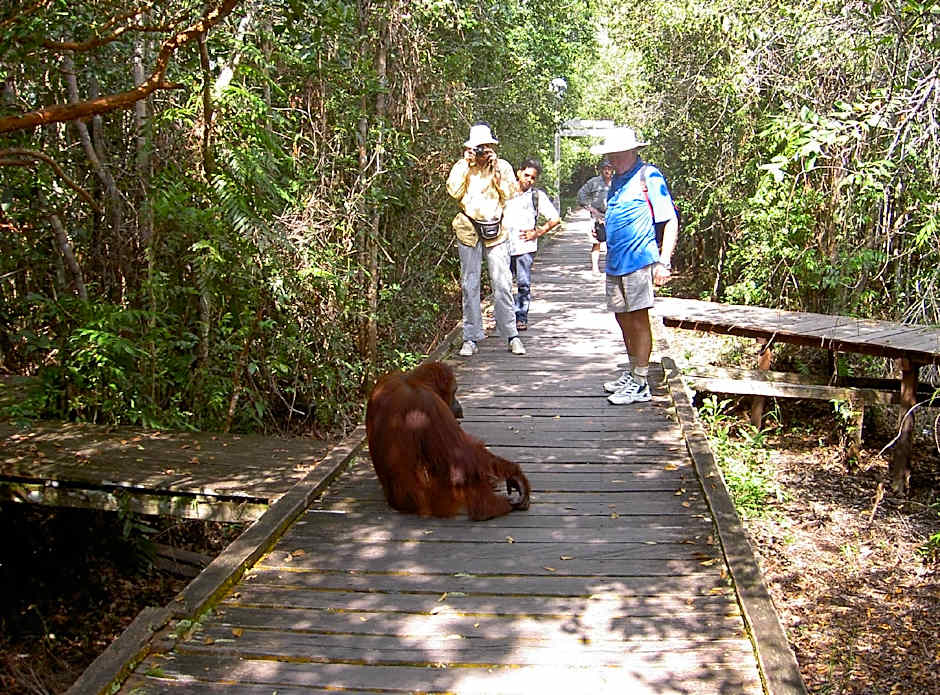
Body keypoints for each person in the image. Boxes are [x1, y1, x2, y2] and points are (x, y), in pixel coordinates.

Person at [590, 127, 678, 405]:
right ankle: (632, 372)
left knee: (639, 318)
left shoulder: (648, 175)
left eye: (614, 154)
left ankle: (641, 383)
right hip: (615, 262)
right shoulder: (617, 180)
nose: (610, 160)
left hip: (639, 260)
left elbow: (670, 220)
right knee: (622, 317)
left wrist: (664, 261)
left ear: (630, 152)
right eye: (608, 155)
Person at [446, 122, 526, 356]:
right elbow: (453, 192)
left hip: (495, 229)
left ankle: (511, 334)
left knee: (502, 284)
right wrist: (466, 163)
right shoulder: (463, 166)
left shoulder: (502, 166)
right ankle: (470, 337)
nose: (482, 151)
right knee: (469, 283)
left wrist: (496, 171)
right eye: (478, 147)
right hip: (468, 228)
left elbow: (510, 193)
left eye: (486, 147)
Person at [503, 158, 561, 331]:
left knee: (523, 283)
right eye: (526, 175)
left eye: (533, 177)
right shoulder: (504, 192)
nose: (529, 179)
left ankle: (521, 317)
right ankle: (505, 318)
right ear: (519, 173)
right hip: (503, 245)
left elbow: (555, 218)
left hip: (525, 248)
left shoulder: (537, 196)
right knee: (503, 285)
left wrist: (538, 232)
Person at [577, 158, 616, 273]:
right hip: (596, 216)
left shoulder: (618, 181)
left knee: (613, 243)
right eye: (605, 169)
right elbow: (581, 195)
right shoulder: (593, 182)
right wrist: (592, 209)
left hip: (614, 216)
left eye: (609, 168)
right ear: (601, 170)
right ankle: (595, 268)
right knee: (596, 242)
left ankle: (612, 267)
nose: (607, 171)